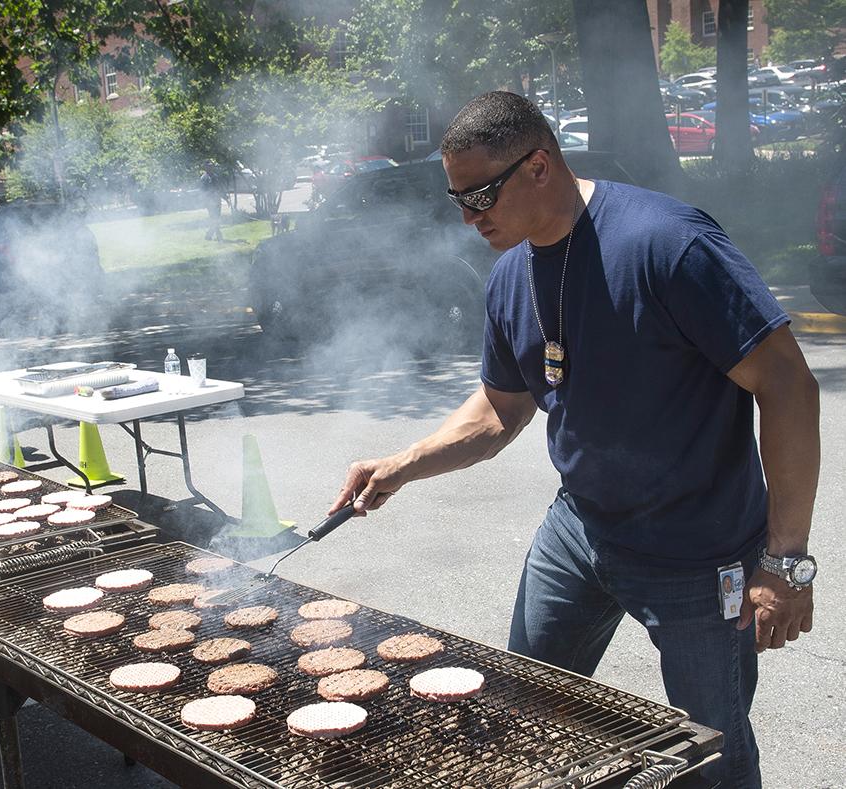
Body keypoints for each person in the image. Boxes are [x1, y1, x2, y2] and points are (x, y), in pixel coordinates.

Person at [331, 91, 819, 788]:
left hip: (696, 548)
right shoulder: (511, 277)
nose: (469, 218)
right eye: (457, 199)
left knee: (709, 757)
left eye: (482, 196)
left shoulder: (667, 244)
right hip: (581, 527)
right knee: (523, 706)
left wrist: (787, 560)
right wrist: (403, 463)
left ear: (539, 167)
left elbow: (790, 387)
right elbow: (501, 411)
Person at [200, 161, 224, 242]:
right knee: (214, 219)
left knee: (217, 219)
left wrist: (224, 197)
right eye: (209, 166)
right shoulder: (204, 178)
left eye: (211, 166)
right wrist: (205, 202)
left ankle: (209, 235)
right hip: (210, 202)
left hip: (217, 201)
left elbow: (219, 188)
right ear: (206, 167)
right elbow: (203, 191)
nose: (211, 167)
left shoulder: (215, 176)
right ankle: (219, 236)